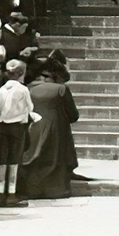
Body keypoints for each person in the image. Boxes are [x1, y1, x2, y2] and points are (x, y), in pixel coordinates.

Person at [18, 57, 78, 199]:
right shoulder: (61, 89)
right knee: (56, 157)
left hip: (33, 127)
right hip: (57, 129)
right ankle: (55, 189)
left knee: (34, 156)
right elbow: (73, 114)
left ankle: (32, 189)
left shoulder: (28, 88)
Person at [0, 57, 36, 207]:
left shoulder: (3, 88)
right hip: (17, 126)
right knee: (14, 159)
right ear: (22, 73)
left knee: (3, 159)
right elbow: (30, 107)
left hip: (2, 125)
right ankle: (11, 193)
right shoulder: (23, 89)